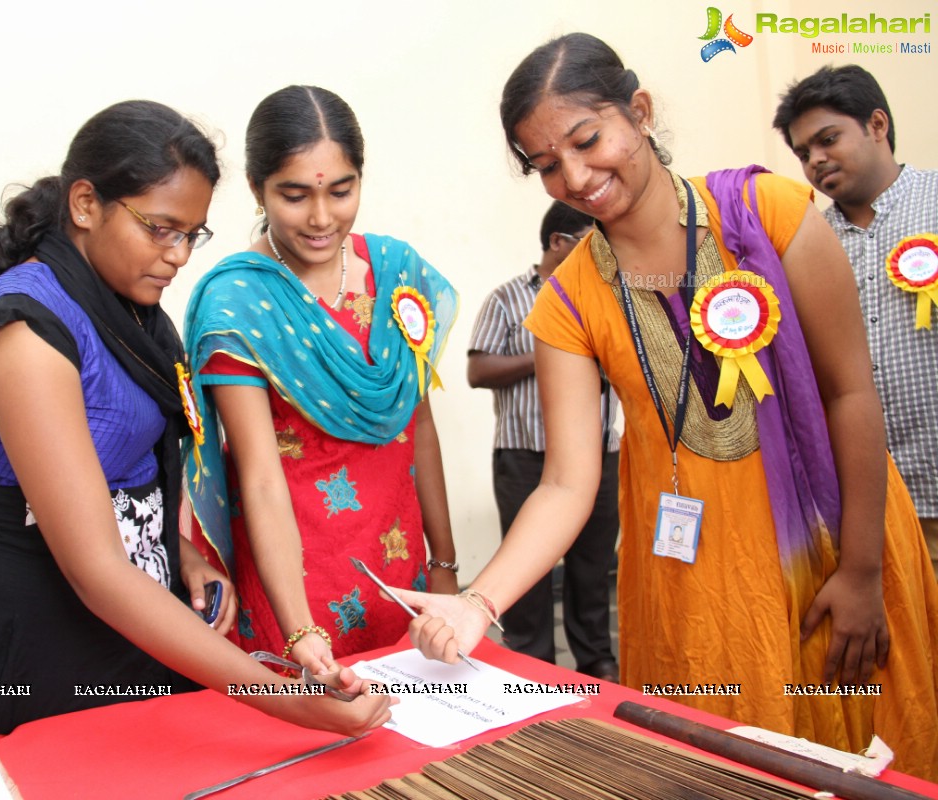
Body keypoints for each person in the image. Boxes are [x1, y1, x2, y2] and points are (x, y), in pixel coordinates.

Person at [395, 34, 938, 779]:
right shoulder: (569, 300)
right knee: (723, 771)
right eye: (546, 165)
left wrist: (864, 571)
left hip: (837, 554)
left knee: (870, 759)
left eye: (588, 140)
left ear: (639, 112)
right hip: (698, 585)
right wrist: (477, 604)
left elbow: (850, 394)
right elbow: (566, 481)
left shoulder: (773, 214)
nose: (576, 177)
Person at [0, 100, 391, 753]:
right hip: (36, 634)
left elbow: (126, 477)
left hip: (133, 622)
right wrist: (285, 702)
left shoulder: (131, 307)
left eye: (192, 234)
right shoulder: (28, 330)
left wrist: (179, 549)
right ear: (85, 204)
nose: (179, 255)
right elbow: (96, 568)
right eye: (161, 229)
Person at [185, 86, 458, 677]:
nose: (321, 218)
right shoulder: (240, 302)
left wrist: (446, 563)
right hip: (299, 572)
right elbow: (258, 477)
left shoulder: (395, 271)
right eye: (294, 195)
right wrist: (299, 625)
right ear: (257, 188)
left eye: (341, 190)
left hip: (397, 555)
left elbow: (421, 426)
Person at [773, 65, 938, 573]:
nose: (815, 161)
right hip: (867, 510)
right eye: (803, 153)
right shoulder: (804, 242)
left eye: (827, 139)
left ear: (877, 125)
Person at [467, 202, 620, 680]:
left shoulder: (607, 296)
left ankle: (597, 664)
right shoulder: (507, 298)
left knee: (592, 569)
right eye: (588, 241)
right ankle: (531, 669)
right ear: (558, 242)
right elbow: (478, 370)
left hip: (599, 454)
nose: (600, 252)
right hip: (524, 457)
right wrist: (553, 352)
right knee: (527, 578)